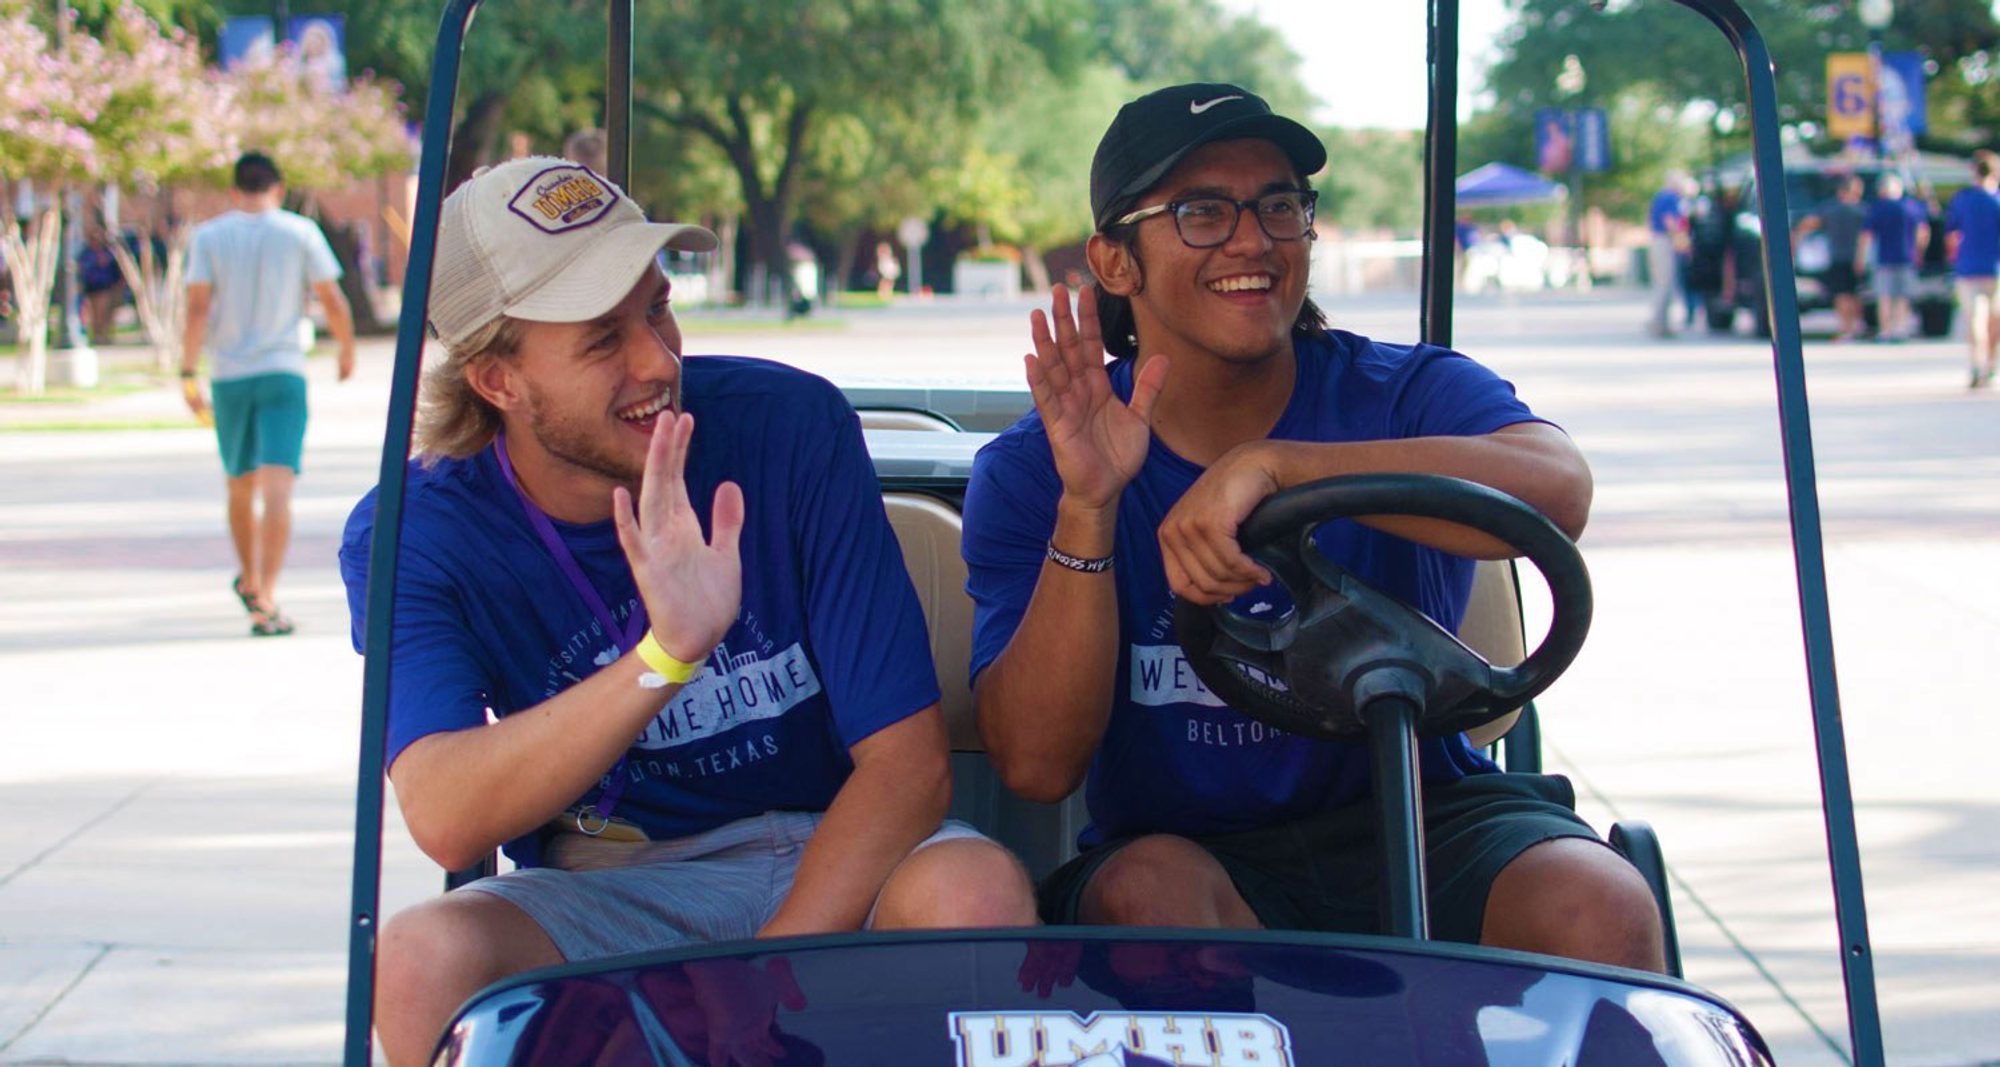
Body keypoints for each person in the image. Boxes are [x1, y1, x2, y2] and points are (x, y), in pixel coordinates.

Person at [337, 157, 1035, 1065]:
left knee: (974, 891)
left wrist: (764, 982)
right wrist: (665, 655)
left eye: (658, 308)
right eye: (600, 338)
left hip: (841, 838)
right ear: (497, 380)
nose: (656, 360)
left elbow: (907, 769)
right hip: (616, 878)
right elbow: (446, 812)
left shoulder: (787, 424)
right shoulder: (420, 527)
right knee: (419, 958)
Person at [962, 83, 1663, 971]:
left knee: (1599, 902)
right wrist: (1090, 509)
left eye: (1281, 205)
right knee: (1152, 905)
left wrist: (1280, 466)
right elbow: (1034, 766)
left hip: (1431, 808)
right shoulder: (1039, 467)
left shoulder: (1403, 391)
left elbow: (1557, 492)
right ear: (1114, 261)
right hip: (1193, 847)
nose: (1253, 239)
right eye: (1203, 212)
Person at [181, 151, 355, 637]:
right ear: (278, 189)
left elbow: (197, 308)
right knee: (279, 488)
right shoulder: (300, 231)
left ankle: (252, 578)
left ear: (234, 191)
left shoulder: (209, 236)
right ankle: (268, 596)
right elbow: (332, 299)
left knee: (239, 482)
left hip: (229, 375)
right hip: (283, 371)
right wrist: (346, 349)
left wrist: (186, 372)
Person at [1945, 150, 2000, 387]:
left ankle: (1976, 364)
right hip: (1996, 267)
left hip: (1968, 267)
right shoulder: (1997, 200)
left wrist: (1954, 257)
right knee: (1994, 320)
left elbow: (1951, 236)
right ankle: (1990, 364)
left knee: (1975, 319)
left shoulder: (1962, 200)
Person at [1794, 175, 1868, 342]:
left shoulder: (1830, 209)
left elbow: (1806, 224)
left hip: (1837, 257)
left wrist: (1798, 242)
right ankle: (1856, 328)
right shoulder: (1862, 210)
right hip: (1858, 258)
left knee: (1841, 295)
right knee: (1855, 295)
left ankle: (1845, 329)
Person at [1860, 173, 1930, 343]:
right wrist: (1919, 252)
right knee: (1902, 296)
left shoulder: (1877, 208)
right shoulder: (1912, 207)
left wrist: (1861, 257)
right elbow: (1923, 231)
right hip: (1907, 257)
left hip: (1883, 258)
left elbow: (1867, 235)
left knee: (1884, 296)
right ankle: (1900, 329)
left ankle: (1885, 331)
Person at [1646, 172, 1691, 337]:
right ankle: (1658, 323)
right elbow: (1670, 221)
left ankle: (1660, 322)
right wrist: (1681, 241)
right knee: (1666, 283)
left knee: (1661, 282)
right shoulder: (1671, 198)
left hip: (1657, 240)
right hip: (1665, 241)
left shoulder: (1660, 197)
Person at [78, 226, 125, 345]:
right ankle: (96, 335)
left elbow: (116, 269)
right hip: (91, 288)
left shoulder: (108, 253)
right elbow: (82, 269)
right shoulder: (86, 254)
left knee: (104, 312)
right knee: (94, 314)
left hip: (105, 287)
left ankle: (103, 334)